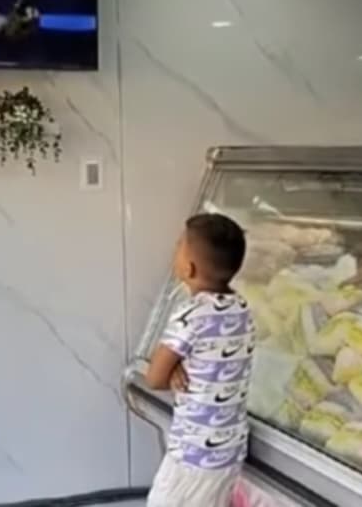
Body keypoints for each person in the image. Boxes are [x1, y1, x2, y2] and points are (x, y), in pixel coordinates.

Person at [143, 213, 254, 507]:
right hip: (230, 449)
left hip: (193, 453)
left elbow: (154, 379)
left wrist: (172, 367)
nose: (174, 248)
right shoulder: (241, 308)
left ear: (189, 267)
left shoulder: (190, 314)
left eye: (179, 245)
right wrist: (177, 366)